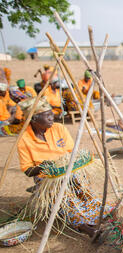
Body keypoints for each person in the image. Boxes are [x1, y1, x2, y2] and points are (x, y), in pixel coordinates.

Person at [17, 97, 108, 239]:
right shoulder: (24, 140)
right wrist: (42, 167)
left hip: (69, 171)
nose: (52, 117)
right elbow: (28, 170)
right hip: (47, 179)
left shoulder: (59, 129)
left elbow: (73, 153)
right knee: (64, 200)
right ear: (34, 118)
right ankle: (86, 228)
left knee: (82, 191)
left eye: (51, 113)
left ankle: (103, 214)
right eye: (47, 115)